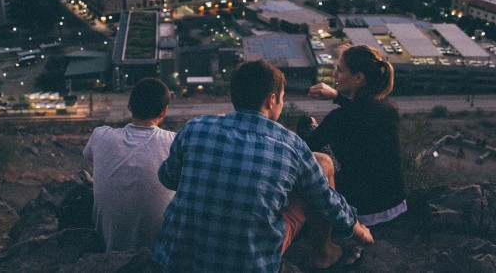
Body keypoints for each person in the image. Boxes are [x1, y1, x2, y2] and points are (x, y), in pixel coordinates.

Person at [154, 60, 373, 272]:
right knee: (313, 182)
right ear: (271, 100)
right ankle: (326, 255)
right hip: (252, 264)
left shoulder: (195, 127)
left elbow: (168, 177)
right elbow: (325, 200)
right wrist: (359, 231)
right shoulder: (290, 145)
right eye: (282, 98)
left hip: (176, 260)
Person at [306, 44, 407, 227]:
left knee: (307, 128)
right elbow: (361, 111)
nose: (334, 75)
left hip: (361, 212)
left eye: (339, 70)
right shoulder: (389, 109)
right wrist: (337, 95)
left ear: (359, 78)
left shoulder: (339, 119)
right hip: (395, 204)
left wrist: (311, 127)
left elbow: (305, 149)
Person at [83, 77, 175, 252]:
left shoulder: (100, 135)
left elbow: (87, 156)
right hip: (157, 252)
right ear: (164, 112)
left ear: (130, 106)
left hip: (108, 247)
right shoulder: (174, 142)